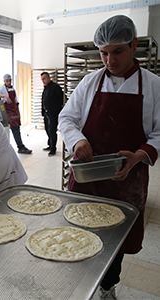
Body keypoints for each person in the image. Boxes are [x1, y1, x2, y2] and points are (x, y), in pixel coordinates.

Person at [59, 15, 159, 297]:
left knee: (116, 240)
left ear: (134, 45)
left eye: (117, 52)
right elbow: (66, 118)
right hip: (87, 177)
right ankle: (80, 283)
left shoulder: (153, 86)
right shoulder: (90, 82)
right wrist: (77, 140)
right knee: (79, 230)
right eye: (103, 53)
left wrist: (140, 155)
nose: (110, 60)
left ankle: (107, 287)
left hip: (126, 179)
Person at [0, 74, 32, 154]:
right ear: (4, 81)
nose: (9, 82)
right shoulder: (1, 88)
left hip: (14, 110)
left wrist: (18, 112)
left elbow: (15, 100)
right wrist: (5, 96)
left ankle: (20, 146)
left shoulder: (12, 88)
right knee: (14, 129)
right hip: (8, 112)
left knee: (17, 129)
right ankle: (19, 147)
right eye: (7, 81)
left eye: (10, 80)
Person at [40, 71, 64, 155]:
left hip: (53, 113)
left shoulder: (55, 87)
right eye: (42, 79)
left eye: (44, 79)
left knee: (52, 130)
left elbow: (61, 99)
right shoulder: (45, 88)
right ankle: (50, 145)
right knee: (47, 129)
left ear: (49, 78)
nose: (43, 81)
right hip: (46, 113)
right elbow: (43, 100)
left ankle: (53, 148)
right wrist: (43, 112)